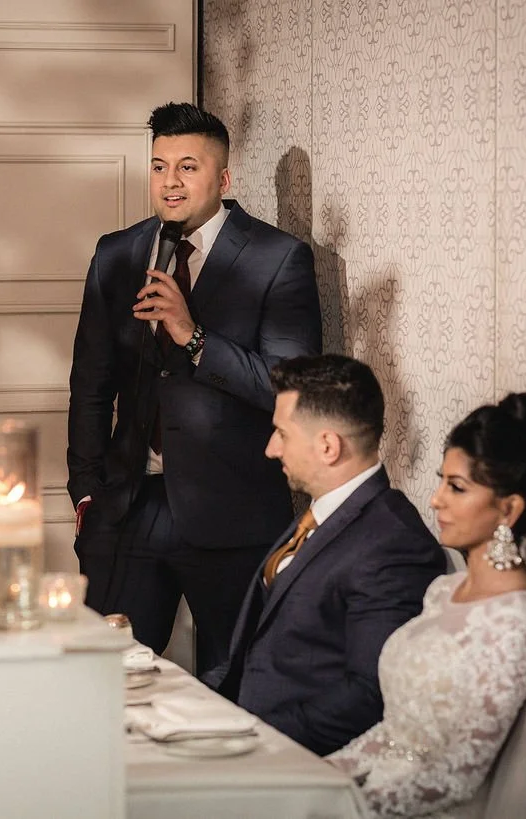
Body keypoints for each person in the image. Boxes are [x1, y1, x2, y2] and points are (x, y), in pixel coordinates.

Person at [67, 102, 322, 673]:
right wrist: (86, 492)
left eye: (188, 167)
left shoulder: (278, 258)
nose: (170, 183)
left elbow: (292, 391)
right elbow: (90, 383)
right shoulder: (117, 254)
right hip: (127, 512)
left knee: (233, 684)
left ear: (223, 179)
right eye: (159, 167)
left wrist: (193, 336)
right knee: (105, 680)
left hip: (234, 516)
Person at [327, 392, 526, 818]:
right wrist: (321, 779)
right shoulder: (445, 590)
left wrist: (349, 807)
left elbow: (459, 777)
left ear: (508, 510)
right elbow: (394, 734)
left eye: (456, 487)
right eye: (442, 480)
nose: (436, 499)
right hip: (373, 791)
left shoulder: (515, 621)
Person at [204, 355, 445, 755]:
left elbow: (369, 695)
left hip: (293, 757)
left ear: (328, 446)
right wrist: (192, 703)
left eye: (281, 433)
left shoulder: (392, 544)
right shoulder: (321, 514)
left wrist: (247, 738)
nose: (270, 449)